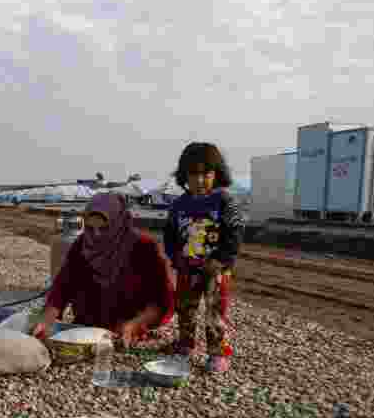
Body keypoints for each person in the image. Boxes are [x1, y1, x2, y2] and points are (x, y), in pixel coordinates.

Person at [31, 193, 174, 347]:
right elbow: (62, 287)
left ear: (118, 223)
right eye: (90, 228)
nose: (96, 235)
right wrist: (46, 319)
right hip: (87, 329)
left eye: (104, 228)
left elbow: (162, 301)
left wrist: (136, 324)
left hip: (129, 331)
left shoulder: (145, 247)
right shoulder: (82, 245)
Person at [162, 142, 245, 373]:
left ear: (217, 174)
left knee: (215, 312)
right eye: (193, 174)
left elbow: (234, 234)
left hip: (215, 270)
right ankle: (185, 345)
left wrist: (221, 260)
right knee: (185, 309)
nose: (200, 180)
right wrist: (175, 257)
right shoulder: (178, 205)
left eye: (206, 174)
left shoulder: (225, 201)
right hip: (187, 268)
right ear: (184, 176)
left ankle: (217, 353)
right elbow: (169, 235)